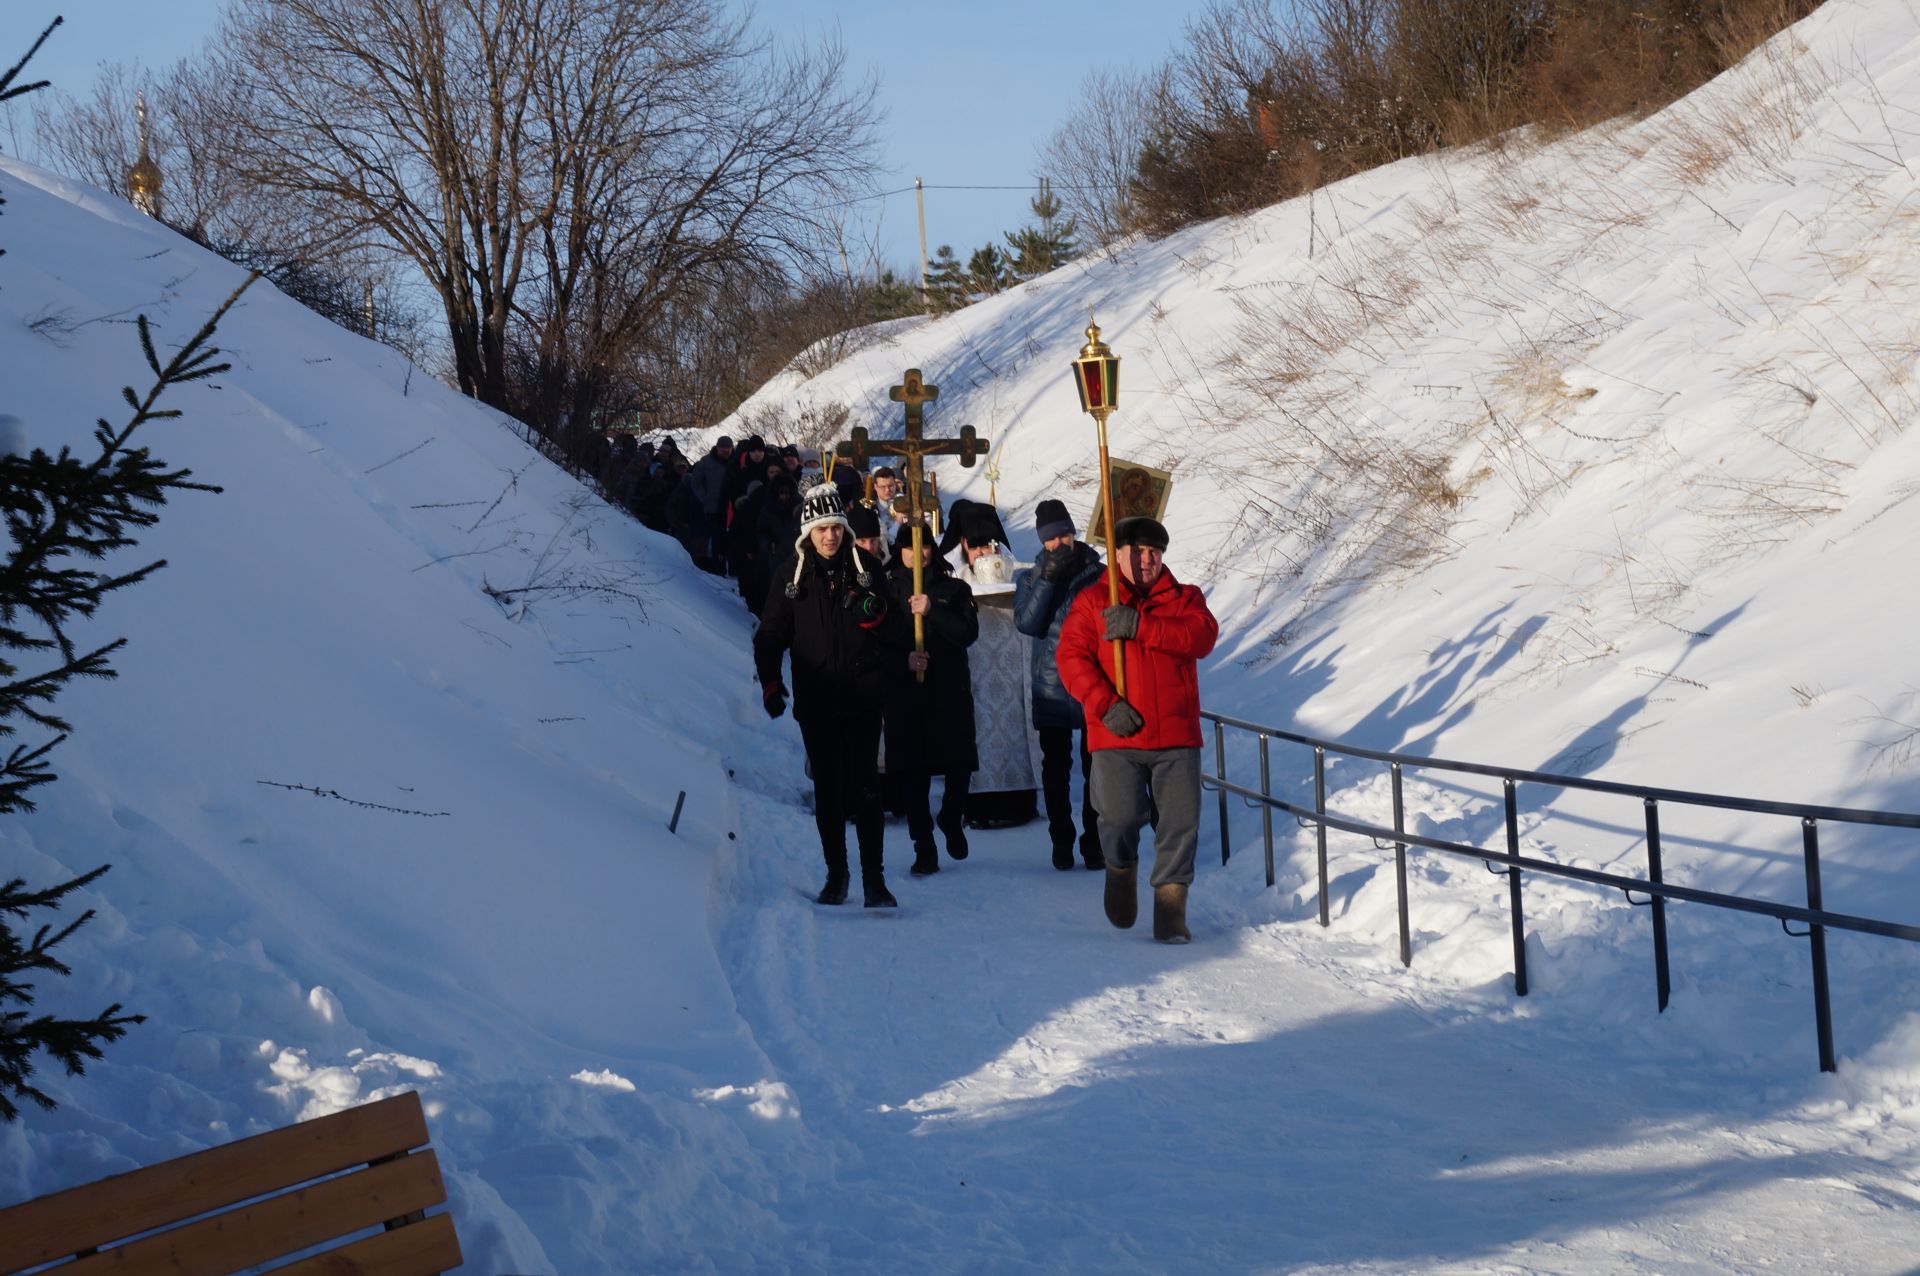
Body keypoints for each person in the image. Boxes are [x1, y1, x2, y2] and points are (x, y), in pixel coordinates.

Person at [1056, 515, 1218, 944]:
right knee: (1120, 815)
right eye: (1138, 551)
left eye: (1155, 552)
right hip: (1117, 734)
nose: (1147, 559)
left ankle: (1170, 909)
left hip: (1176, 734)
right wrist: (1105, 705)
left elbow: (1200, 637)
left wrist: (1140, 626)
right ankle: (1119, 866)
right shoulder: (1093, 601)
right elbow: (1071, 659)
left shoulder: (1185, 598)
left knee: (1180, 824)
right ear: (1118, 554)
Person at [755, 484, 902, 907]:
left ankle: (874, 882)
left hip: (863, 695)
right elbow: (769, 635)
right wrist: (769, 682)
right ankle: (836, 876)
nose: (830, 536)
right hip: (817, 697)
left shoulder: (867, 567)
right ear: (807, 533)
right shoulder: (790, 577)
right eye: (821, 529)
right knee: (829, 791)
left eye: (835, 527)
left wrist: (874, 618)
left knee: (867, 786)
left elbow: (893, 630)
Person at [1013, 497, 1108, 872]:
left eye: (1065, 535)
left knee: (1095, 767)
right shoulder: (1032, 577)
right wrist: (1049, 580)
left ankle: (1094, 841)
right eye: (1052, 539)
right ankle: (1061, 839)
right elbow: (1028, 624)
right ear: (1042, 542)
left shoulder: (1098, 574)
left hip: (1091, 682)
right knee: (1055, 767)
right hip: (1051, 684)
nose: (1060, 544)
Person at [883, 520, 979, 875]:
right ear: (899, 550)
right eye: (908, 547)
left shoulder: (953, 588)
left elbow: (967, 632)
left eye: (923, 546)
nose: (916, 554)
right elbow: (875, 642)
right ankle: (923, 845)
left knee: (959, 763)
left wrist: (932, 611)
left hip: (948, 690)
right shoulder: (886, 589)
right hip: (906, 694)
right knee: (913, 772)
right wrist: (903, 659)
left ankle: (952, 816)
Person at [943, 500, 1040, 828]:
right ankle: (978, 807)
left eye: (990, 545)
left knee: (1012, 735)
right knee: (977, 739)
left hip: (1012, 677)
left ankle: (1019, 804)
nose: (985, 554)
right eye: (977, 547)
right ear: (963, 546)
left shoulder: (1017, 574)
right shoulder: (951, 577)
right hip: (973, 676)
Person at [686, 435, 733, 572]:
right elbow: (696, 482)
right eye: (723, 449)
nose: (725, 451)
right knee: (716, 539)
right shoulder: (706, 462)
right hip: (713, 508)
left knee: (730, 539)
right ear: (717, 448)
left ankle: (731, 567)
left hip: (732, 508)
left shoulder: (735, 462)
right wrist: (705, 498)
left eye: (728, 449)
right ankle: (717, 568)